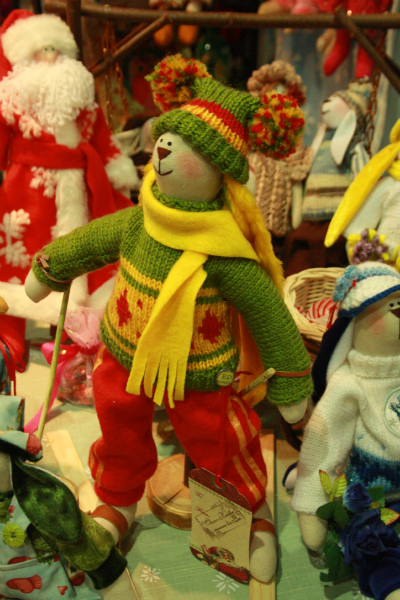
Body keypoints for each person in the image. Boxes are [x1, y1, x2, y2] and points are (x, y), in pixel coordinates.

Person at [0, 9, 139, 363]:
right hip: (26, 191)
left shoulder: (81, 96)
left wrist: (116, 171)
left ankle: (70, 336)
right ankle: (9, 337)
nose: (51, 58)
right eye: (42, 51)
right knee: (19, 263)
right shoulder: (10, 98)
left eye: (55, 49)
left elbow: (102, 137)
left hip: (79, 186)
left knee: (77, 258)